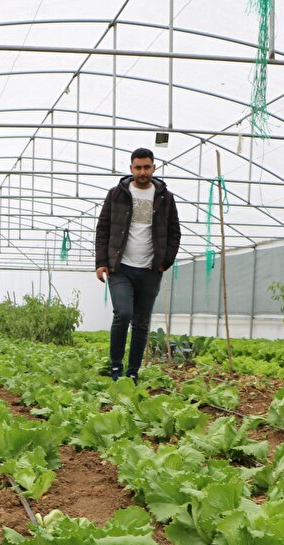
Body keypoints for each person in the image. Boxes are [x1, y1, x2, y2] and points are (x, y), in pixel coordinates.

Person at [94, 147, 181, 382]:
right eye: (138, 167)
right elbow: (103, 228)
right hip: (121, 267)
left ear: (154, 167)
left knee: (142, 323)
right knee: (123, 313)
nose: (142, 172)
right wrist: (102, 262)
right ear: (131, 168)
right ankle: (115, 367)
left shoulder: (165, 197)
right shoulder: (116, 195)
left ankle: (132, 372)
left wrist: (165, 261)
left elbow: (174, 232)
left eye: (147, 167)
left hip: (150, 269)